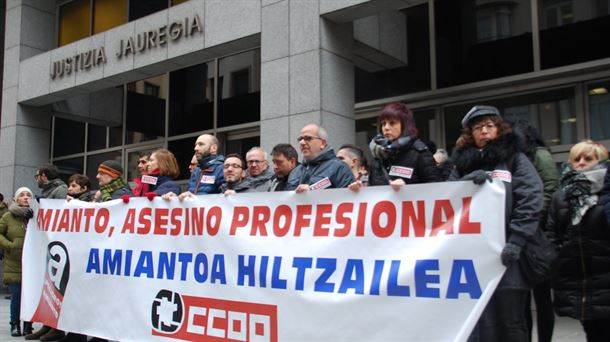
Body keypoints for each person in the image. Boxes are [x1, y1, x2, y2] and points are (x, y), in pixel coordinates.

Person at [449, 105, 543, 342]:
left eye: (490, 126)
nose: (485, 131)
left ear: (499, 129)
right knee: (477, 321)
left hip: (508, 254)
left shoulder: (515, 159)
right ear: (470, 133)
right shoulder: (460, 165)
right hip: (472, 258)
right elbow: (447, 201)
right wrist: (466, 185)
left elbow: (531, 198)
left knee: (510, 321)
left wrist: (516, 240)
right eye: (478, 127)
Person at [545, 140, 609, 342]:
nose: (581, 162)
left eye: (588, 158)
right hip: (577, 280)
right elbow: (552, 235)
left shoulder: (606, 193)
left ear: (601, 162)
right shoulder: (561, 196)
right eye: (576, 158)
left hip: (605, 278)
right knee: (593, 332)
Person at [511, 119, 560, 342]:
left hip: (537, 235)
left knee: (541, 298)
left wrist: (533, 220)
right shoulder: (513, 158)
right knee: (522, 299)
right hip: (522, 232)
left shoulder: (540, 155)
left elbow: (550, 187)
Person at [350, 103, 440, 192]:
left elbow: (436, 189)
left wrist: (407, 188)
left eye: (392, 123)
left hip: (410, 206)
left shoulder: (419, 153)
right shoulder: (378, 154)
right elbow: (373, 188)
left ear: (405, 126)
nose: (386, 128)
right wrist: (361, 190)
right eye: (383, 123)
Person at [0, 187, 34, 337]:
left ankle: (28, 325)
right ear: (16, 199)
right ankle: (15, 324)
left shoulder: (37, 215)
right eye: (22, 195)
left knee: (31, 296)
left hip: (33, 263)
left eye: (29, 195)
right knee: (17, 295)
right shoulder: (8, 216)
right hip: (14, 262)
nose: (26, 197)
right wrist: (9, 245)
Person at [286, 124, 355, 192]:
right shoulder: (295, 171)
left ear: (322, 143)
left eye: (308, 138)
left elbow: (347, 198)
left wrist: (313, 192)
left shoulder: (339, 168)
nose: (302, 142)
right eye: (300, 139)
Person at [167, 134, 225, 200]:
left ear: (214, 148)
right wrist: (176, 198)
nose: (196, 148)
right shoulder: (196, 171)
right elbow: (191, 195)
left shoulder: (222, 168)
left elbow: (225, 199)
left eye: (201, 144)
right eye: (196, 145)